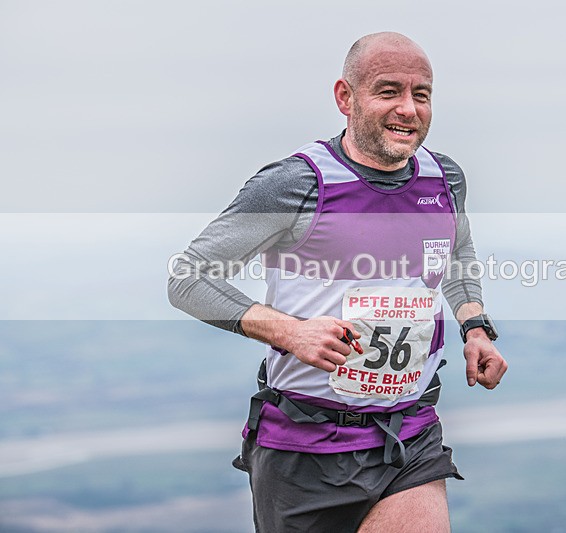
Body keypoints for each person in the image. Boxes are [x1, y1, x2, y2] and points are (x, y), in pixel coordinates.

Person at [168, 31, 507, 532]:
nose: (408, 109)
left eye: (422, 94)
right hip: (304, 446)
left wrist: (475, 327)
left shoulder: (445, 178)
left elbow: (455, 253)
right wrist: (288, 332)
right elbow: (188, 278)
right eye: (389, 91)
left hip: (408, 436)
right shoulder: (294, 184)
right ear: (346, 98)